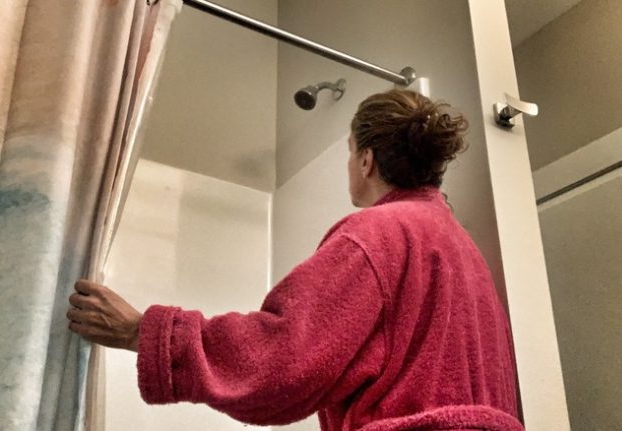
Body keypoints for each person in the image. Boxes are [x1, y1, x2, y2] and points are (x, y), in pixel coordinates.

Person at [66, 89, 524, 431]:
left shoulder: (377, 234)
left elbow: (281, 360)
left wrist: (141, 332)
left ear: (366, 160)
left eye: (349, 152)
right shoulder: (466, 252)